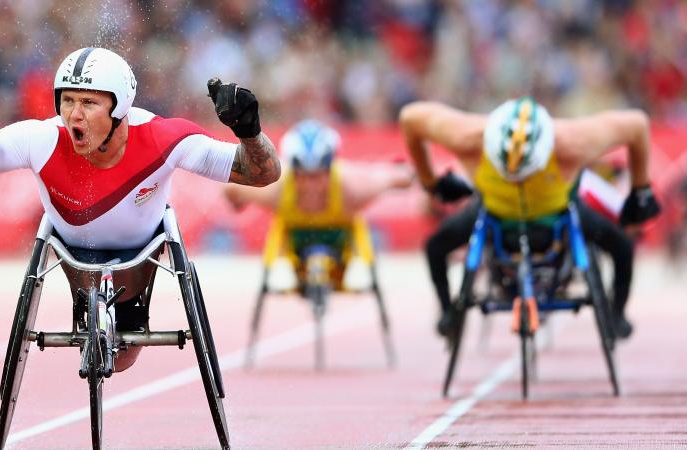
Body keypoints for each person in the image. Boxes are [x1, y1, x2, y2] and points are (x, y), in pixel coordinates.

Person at [0, 47, 281, 372]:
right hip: (71, 252)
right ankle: (94, 309)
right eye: (67, 101)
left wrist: (248, 131)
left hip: (141, 256)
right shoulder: (40, 138)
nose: (74, 115)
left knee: (123, 356)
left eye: (89, 103)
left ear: (120, 106)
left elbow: (263, 173)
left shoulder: (164, 138)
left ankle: (126, 311)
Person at [399, 97, 660, 339]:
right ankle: (448, 312)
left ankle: (617, 314)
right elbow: (409, 118)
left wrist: (641, 192)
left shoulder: (570, 142)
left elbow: (638, 124)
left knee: (624, 246)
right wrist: (430, 182)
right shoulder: (470, 137)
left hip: (555, 213)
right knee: (434, 247)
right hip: (495, 214)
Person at [223, 119, 413, 290]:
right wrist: (238, 203)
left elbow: (392, 176)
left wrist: (406, 175)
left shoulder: (352, 188)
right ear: (293, 173)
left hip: (340, 242)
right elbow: (231, 189)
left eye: (317, 176)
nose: (310, 185)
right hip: (296, 244)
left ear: (330, 170)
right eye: (303, 176)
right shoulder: (276, 189)